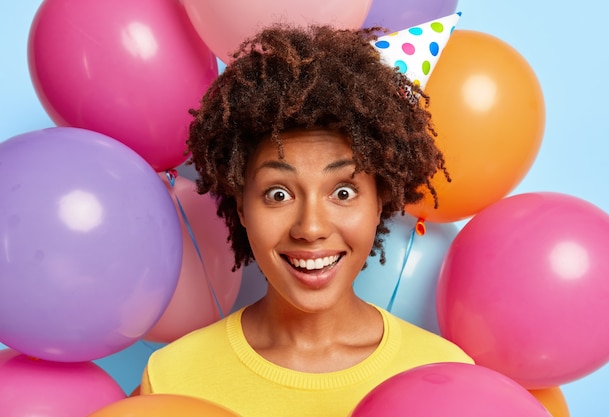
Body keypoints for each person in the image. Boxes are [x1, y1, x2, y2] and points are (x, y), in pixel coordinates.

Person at [141, 24, 473, 416]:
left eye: (343, 193)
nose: (311, 228)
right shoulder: (172, 379)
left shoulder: (446, 376)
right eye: (278, 194)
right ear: (242, 207)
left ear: (381, 201)